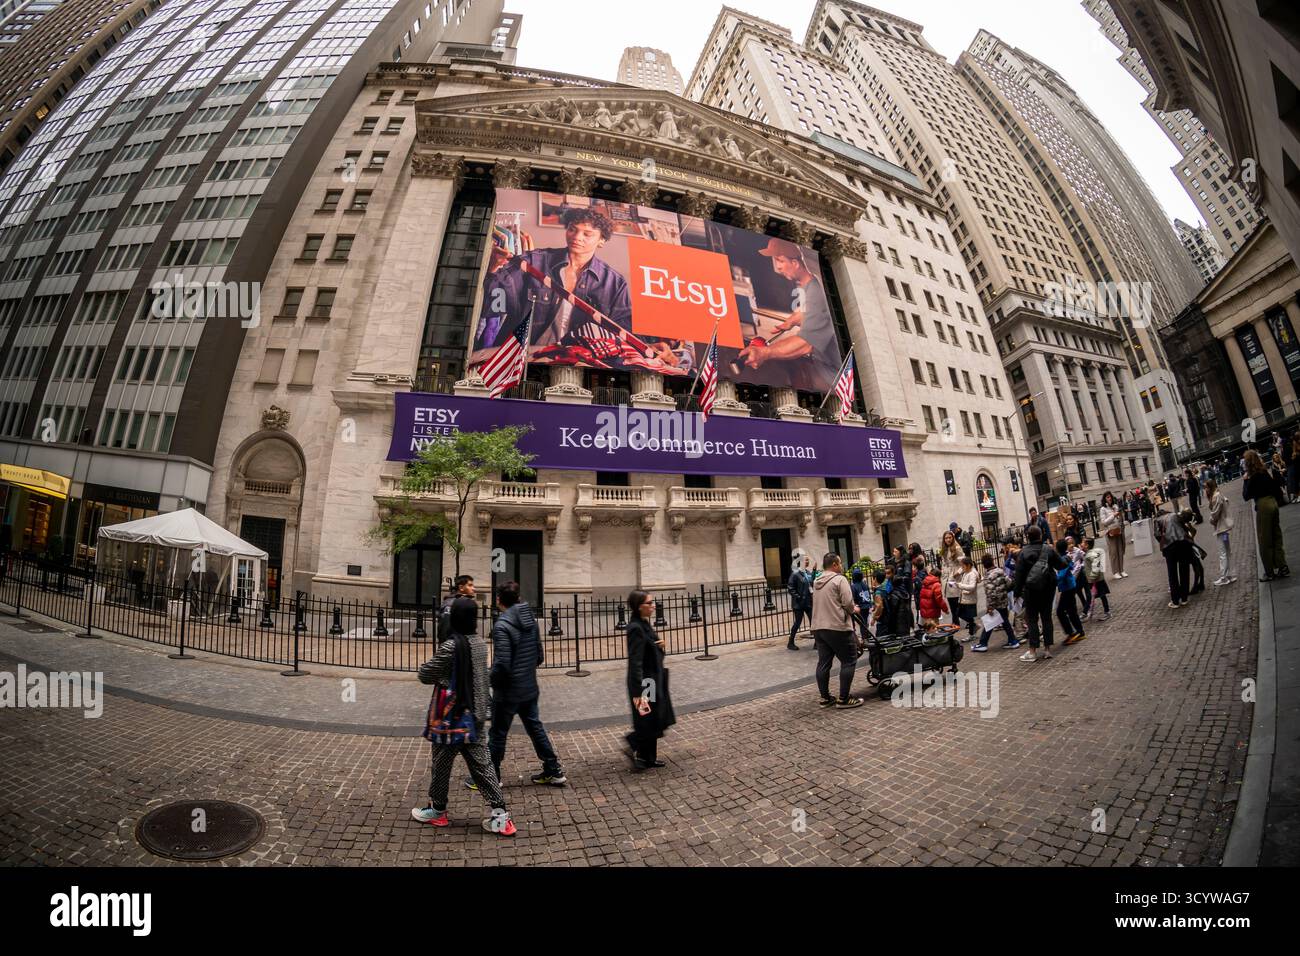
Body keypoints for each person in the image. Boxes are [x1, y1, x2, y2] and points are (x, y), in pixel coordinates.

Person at [412, 596, 517, 836]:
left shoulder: (451, 646)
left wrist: (439, 675)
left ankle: (438, 811)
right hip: (475, 715)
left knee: (441, 765)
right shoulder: (479, 643)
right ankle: (501, 818)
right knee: (483, 767)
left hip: (451, 718)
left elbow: (426, 674)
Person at [475, 206, 633, 356]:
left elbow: (623, 335)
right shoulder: (532, 261)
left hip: (578, 362)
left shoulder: (615, 284)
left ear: (601, 240)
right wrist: (494, 268)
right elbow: (494, 305)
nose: (577, 237)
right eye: (572, 229)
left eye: (587, 234)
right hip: (522, 359)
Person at [735, 238, 842, 392]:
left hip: (834, 375)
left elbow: (805, 344)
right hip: (823, 365)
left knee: (776, 377)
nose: (778, 267)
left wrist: (765, 352)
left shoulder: (815, 293)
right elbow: (815, 312)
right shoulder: (812, 282)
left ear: (795, 263)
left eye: (780, 261)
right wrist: (795, 318)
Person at [488, 581, 566, 787]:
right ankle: (553, 768)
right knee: (534, 727)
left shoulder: (502, 625)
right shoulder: (530, 618)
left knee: (497, 732)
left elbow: (502, 664)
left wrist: (491, 680)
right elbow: (539, 655)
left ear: (499, 600)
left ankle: (492, 777)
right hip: (529, 686)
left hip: (508, 691)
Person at [626, 590, 675, 770]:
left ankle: (649, 757)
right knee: (648, 718)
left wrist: (661, 646)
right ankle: (633, 744)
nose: (653, 606)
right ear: (640, 607)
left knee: (653, 717)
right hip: (645, 683)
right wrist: (638, 691)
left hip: (653, 679)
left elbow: (651, 651)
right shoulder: (635, 629)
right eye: (650, 603)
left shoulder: (644, 624)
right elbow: (635, 661)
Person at [811, 553, 864, 709]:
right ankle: (844, 698)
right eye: (840, 563)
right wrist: (854, 609)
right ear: (834, 564)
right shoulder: (839, 579)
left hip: (819, 627)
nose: (842, 565)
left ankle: (825, 698)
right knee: (849, 660)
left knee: (823, 663)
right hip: (837, 626)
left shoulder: (816, 581)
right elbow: (848, 603)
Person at [1012, 525, 1066, 662]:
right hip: (1048, 588)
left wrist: (1017, 592)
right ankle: (1048, 649)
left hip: (1030, 591)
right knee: (1047, 618)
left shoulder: (1023, 553)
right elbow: (1061, 565)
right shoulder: (1048, 549)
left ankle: (1033, 651)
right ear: (1041, 535)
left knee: (1032, 620)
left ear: (1027, 537)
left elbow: (1018, 575)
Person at [1244, 449, 1289, 581]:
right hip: (1273, 503)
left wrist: (1245, 481)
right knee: (1276, 536)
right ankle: (1282, 566)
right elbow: (1275, 488)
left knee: (1264, 540)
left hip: (1263, 505)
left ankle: (1269, 572)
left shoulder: (1253, 477)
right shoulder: (1264, 472)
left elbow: (1246, 496)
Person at [973, 553, 1018, 651]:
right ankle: (1012, 640)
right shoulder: (1000, 571)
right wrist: (1003, 591)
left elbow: (990, 593)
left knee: (989, 622)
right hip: (1003, 600)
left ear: (984, 564)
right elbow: (1009, 582)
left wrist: (990, 607)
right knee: (1004, 622)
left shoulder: (988, 576)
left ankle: (983, 643)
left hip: (995, 604)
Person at [1156, 505, 1192, 608]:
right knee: (1184, 570)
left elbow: (1157, 535)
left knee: (1172, 574)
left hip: (1169, 547)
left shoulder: (1158, 520)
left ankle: (1175, 601)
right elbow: (1184, 527)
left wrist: (1163, 543)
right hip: (1183, 542)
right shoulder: (1174, 515)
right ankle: (1184, 598)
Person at [1054, 539, 1086, 645]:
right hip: (1070, 587)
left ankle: (1072, 633)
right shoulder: (1065, 557)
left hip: (1068, 588)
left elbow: (1062, 575)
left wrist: (1053, 579)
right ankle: (1079, 632)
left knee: (1061, 611)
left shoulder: (1063, 559)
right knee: (1071, 611)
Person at [1206, 478, 1237, 586]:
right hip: (1224, 528)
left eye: (1206, 487)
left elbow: (1215, 513)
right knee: (1227, 551)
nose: (1205, 489)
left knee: (1223, 552)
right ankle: (1230, 575)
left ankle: (1224, 577)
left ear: (1210, 487)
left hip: (1221, 528)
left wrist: (1211, 520)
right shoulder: (1219, 494)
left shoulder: (1216, 496)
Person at [438, 574, 475, 642]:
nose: (473, 588)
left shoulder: (466, 603)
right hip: (453, 646)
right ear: (461, 587)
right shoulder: (450, 604)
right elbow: (445, 629)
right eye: (470, 585)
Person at [1099, 490, 1128, 579]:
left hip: (1118, 530)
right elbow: (1104, 522)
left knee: (1120, 550)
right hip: (1110, 532)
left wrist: (1119, 516)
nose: (1110, 498)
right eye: (1107, 497)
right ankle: (1115, 571)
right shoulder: (1103, 509)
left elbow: (1119, 518)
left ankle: (1121, 570)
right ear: (1104, 499)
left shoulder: (1115, 506)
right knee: (1113, 552)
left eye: (1110, 496)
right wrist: (1113, 516)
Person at [785, 556, 812, 650]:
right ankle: (790, 642)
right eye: (806, 560)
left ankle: (818, 642)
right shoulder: (795, 574)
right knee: (798, 623)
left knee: (814, 622)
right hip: (799, 604)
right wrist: (799, 597)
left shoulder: (808, 573)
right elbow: (790, 588)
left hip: (809, 602)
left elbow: (812, 584)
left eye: (808, 560)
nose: (808, 561)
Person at [953, 555, 980, 642]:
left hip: (969, 599)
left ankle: (971, 633)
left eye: (963, 566)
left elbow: (972, 586)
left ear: (968, 565)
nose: (962, 568)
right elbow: (964, 583)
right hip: (964, 598)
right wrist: (957, 584)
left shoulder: (972, 574)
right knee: (959, 613)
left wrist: (960, 585)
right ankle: (973, 627)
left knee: (969, 616)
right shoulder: (966, 572)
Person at [1083, 537, 1110, 621]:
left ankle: (1107, 612)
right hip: (1094, 580)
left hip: (1096, 580)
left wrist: (1093, 577)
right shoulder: (1088, 553)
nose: (1081, 544)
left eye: (1083, 543)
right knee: (1094, 596)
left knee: (1102, 595)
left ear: (1087, 545)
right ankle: (1089, 613)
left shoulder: (1090, 554)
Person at [918, 563, 948, 629]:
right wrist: (945, 609)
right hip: (933, 611)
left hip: (925, 611)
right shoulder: (936, 584)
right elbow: (939, 599)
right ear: (938, 576)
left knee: (928, 629)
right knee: (934, 630)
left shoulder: (925, 582)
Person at [850, 567, 873, 641]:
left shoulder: (853, 586)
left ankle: (865, 638)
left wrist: (855, 605)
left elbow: (853, 597)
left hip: (860, 607)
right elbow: (868, 594)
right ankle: (867, 635)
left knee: (862, 624)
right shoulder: (865, 585)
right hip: (866, 605)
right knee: (865, 621)